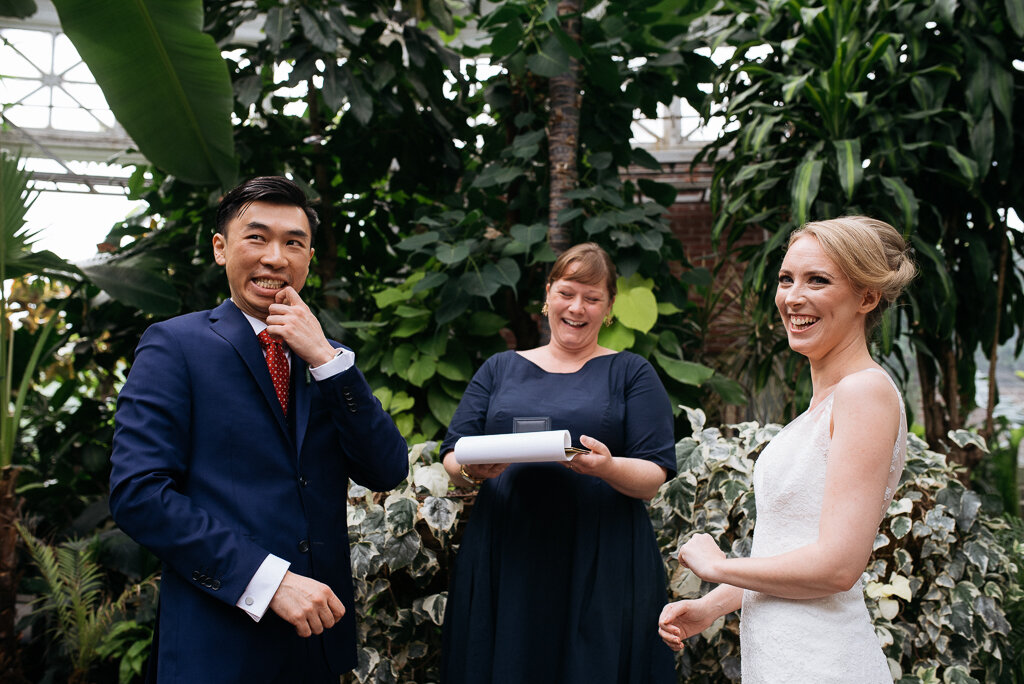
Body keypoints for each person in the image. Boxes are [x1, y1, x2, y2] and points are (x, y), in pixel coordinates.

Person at [109, 176, 408, 683]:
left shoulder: (324, 356)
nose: (275, 257)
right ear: (221, 249)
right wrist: (267, 581)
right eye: (257, 237)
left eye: (294, 242)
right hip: (219, 641)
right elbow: (139, 494)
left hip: (317, 646)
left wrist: (328, 361)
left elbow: (385, 469)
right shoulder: (174, 345)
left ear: (309, 258)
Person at [658, 216, 916, 682]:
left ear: (867, 297)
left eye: (818, 280)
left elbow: (837, 567)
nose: (793, 297)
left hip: (823, 661)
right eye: (786, 279)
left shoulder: (864, 394)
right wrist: (713, 604)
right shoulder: (824, 405)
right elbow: (792, 548)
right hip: (782, 656)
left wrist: (719, 565)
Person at [439, 242, 678, 683]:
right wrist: (474, 469)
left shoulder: (632, 373)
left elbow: (651, 477)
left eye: (592, 298)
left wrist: (606, 467)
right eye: (567, 293)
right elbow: (454, 452)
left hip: (601, 554)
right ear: (547, 295)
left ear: (608, 309)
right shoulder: (498, 368)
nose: (577, 308)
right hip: (508, 549)